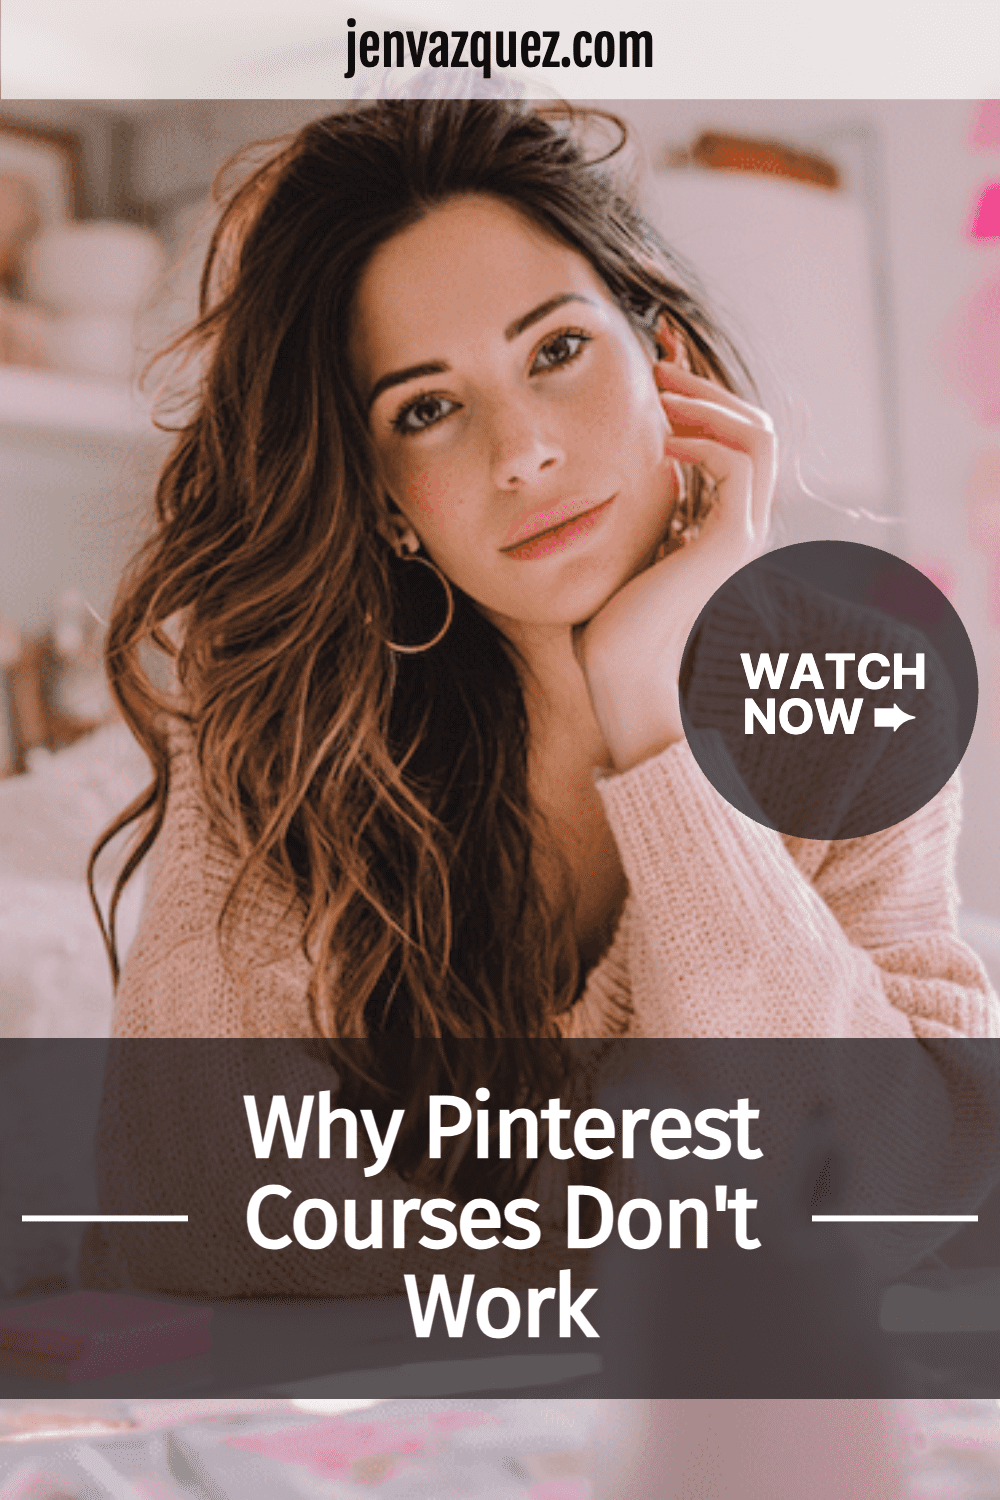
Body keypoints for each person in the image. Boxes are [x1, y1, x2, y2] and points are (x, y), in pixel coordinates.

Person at [80, 101, 1000, 1306]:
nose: (520, 452)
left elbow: (888, 1197)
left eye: (556, 350)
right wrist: (624, 1250)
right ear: (383, 501)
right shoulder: (290, 699)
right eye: (426, 408)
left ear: (666, 360)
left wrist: (651, 722)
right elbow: (190, 1196)